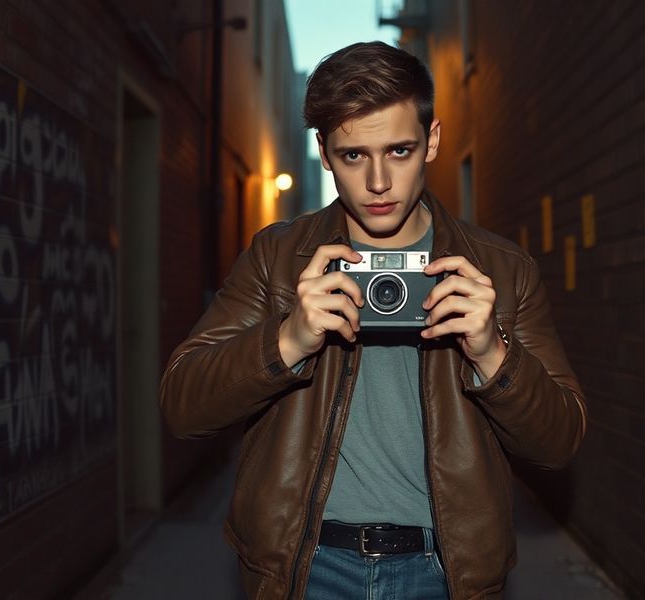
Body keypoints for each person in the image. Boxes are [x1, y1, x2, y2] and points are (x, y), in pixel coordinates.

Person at [159, 41, 586, 600]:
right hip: (305, 567)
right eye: (354, 156)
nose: (379, 182)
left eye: (400, 150)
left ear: (432, 141)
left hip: (446, 571)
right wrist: (286, 340)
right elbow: (182, 406)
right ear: (324, 152)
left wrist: (492, 353)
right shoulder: (279, 258)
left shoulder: (501, 271)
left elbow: (560, 442)